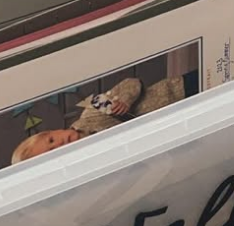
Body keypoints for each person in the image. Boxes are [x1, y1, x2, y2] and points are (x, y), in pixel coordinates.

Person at [10, 71, 199, 165]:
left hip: (178, 92)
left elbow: (130, 83)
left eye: (51, 139)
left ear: (54, 131)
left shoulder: (92, 110)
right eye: (52, 151)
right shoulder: (94, 159)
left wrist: (124, 100)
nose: (59, 143)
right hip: (183, 126)